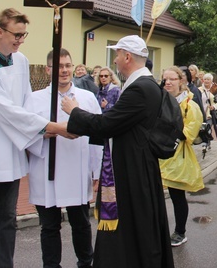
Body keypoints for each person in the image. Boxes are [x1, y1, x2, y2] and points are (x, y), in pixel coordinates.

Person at [0, 7, 73, 268]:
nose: (20, 40)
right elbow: (4, 110)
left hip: (11, 149)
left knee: (8, 218)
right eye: (16, 35)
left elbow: (26, 103)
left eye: (23, 35)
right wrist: (51, 127)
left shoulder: (20, 60)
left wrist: (43, 128)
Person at [59, 35, 174, 267]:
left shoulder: (139, 89)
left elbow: (106, 125)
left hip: (133, 169)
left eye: (117, 55)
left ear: (128, 57)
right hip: (137, 165)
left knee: (134, 226)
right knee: (139, 226)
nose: (115, 61)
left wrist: (75, 112)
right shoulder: (146, 85)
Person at [25, 48, 102, 268]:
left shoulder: (86, 98)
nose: (65, 70)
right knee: (49, 226)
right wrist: (51, 131)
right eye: (59, 66)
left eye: (68, 65)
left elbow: (97, 135)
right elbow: (25, 133)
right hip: (46, 169)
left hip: (77, 169)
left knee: (81, 223)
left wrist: (96, 171)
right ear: (48, 69)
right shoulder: (34, 99)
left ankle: (86, 263)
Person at [160, 66, 205, 247]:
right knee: (155, 197)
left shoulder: (189, 105)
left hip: (178, 156)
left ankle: (180, 231)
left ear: (181, 81)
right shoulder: (158, 101)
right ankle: (158, 229)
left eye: (172, 79)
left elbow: (190, 132)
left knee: (177, 196)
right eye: (165, 79)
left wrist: (168, 131)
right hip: (157, 155)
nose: (168, 82)